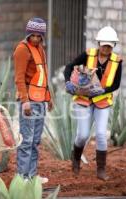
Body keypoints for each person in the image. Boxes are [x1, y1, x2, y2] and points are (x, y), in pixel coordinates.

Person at [64, 26, 122, 180]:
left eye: (109, 46)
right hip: (83, 100)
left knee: (102, 135)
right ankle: (76, 159)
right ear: (98, 44)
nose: (106, 48)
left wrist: (103, 91)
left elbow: (116, 84)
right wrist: (68, 82)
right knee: (82, 135)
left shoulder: (117, 61)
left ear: (113, 46)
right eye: (104, 45)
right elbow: (70, 66)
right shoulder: (88, 55)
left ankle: (101, 170)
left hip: (102, 102)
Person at [13, 17, 53, 181]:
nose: (36, 38)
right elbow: (19, 78)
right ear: (28, 34)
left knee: (35, 141)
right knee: (27, 140)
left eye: (39, 36)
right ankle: (22, 177)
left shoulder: (40, 49)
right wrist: (25, 101)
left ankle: (32, 175)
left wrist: (48, 98)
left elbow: (43, 75)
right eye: (33, 35)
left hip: (40, 100)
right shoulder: (22, 49)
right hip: (29, 101)